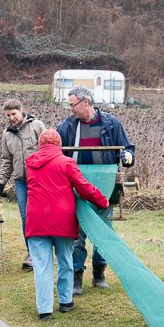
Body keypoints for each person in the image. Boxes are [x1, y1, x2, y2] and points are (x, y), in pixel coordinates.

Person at [57, 85, 135, 295]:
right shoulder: (67, 127)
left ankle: (99, 273)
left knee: (103, 230)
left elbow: (127, 147)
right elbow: (55, 152)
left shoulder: (111, 124)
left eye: (72, 105)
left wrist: (128, 157)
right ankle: (77, 276)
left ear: (85, 102)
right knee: (79, 233)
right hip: (78, 189)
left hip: (105, 188)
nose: (70, 109)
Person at [25, 130, 109, 321]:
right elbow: (84, 187)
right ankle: (65, 301)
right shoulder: (66, 162)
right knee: (65, 260)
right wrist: (102, 201)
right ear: (58, 145)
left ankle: (45, 310)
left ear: (40, 144)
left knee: (41, 266)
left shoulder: (30, 163)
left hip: (36, 219)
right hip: (62, 219)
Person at [0, 98, 45, 270]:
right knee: (25, 217)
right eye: (8, 115)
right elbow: (7, 160)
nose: (11, 118)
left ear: (21, 110)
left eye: (14, 114)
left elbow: (48, 151)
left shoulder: (37, 126)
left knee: (39, 215)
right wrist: (1, 182)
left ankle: (43, 250)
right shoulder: (7, 134)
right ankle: (31, 253)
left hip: (39, 179)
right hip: (20, 181)